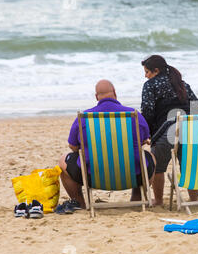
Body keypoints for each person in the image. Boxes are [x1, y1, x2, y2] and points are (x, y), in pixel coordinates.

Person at [57, 80, 156, 214]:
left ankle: (79, 202)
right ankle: (136, 198)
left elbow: (73, 147)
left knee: (63, 161)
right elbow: (144, 140)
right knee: (150, 157)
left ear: (96, 96)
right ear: (115, 93)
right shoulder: (134, 114)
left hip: (93, 176)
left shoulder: (84, 117)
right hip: (133, 175)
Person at [140, 55, 198, 206]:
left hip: (166, 131)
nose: (145, 75)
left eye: (147, 72)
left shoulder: (150, 85)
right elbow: (197, 107)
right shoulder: (182, 84)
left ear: (156, 71)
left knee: (158, 166)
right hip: (188, 130)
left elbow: (148, 112)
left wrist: (147, 134)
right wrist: (191, 124)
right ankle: (194, 200)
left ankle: (159, 201)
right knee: (189, 165)